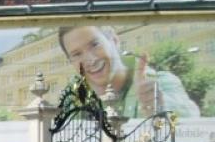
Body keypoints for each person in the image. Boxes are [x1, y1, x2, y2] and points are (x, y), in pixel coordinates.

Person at [58, 25, 200, 118]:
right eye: (77, 54)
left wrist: (161, 109)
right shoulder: (73, 102)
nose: (90, 60)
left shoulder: (160, 83)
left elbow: (192, 122)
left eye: (95, 44)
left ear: (114, 40)